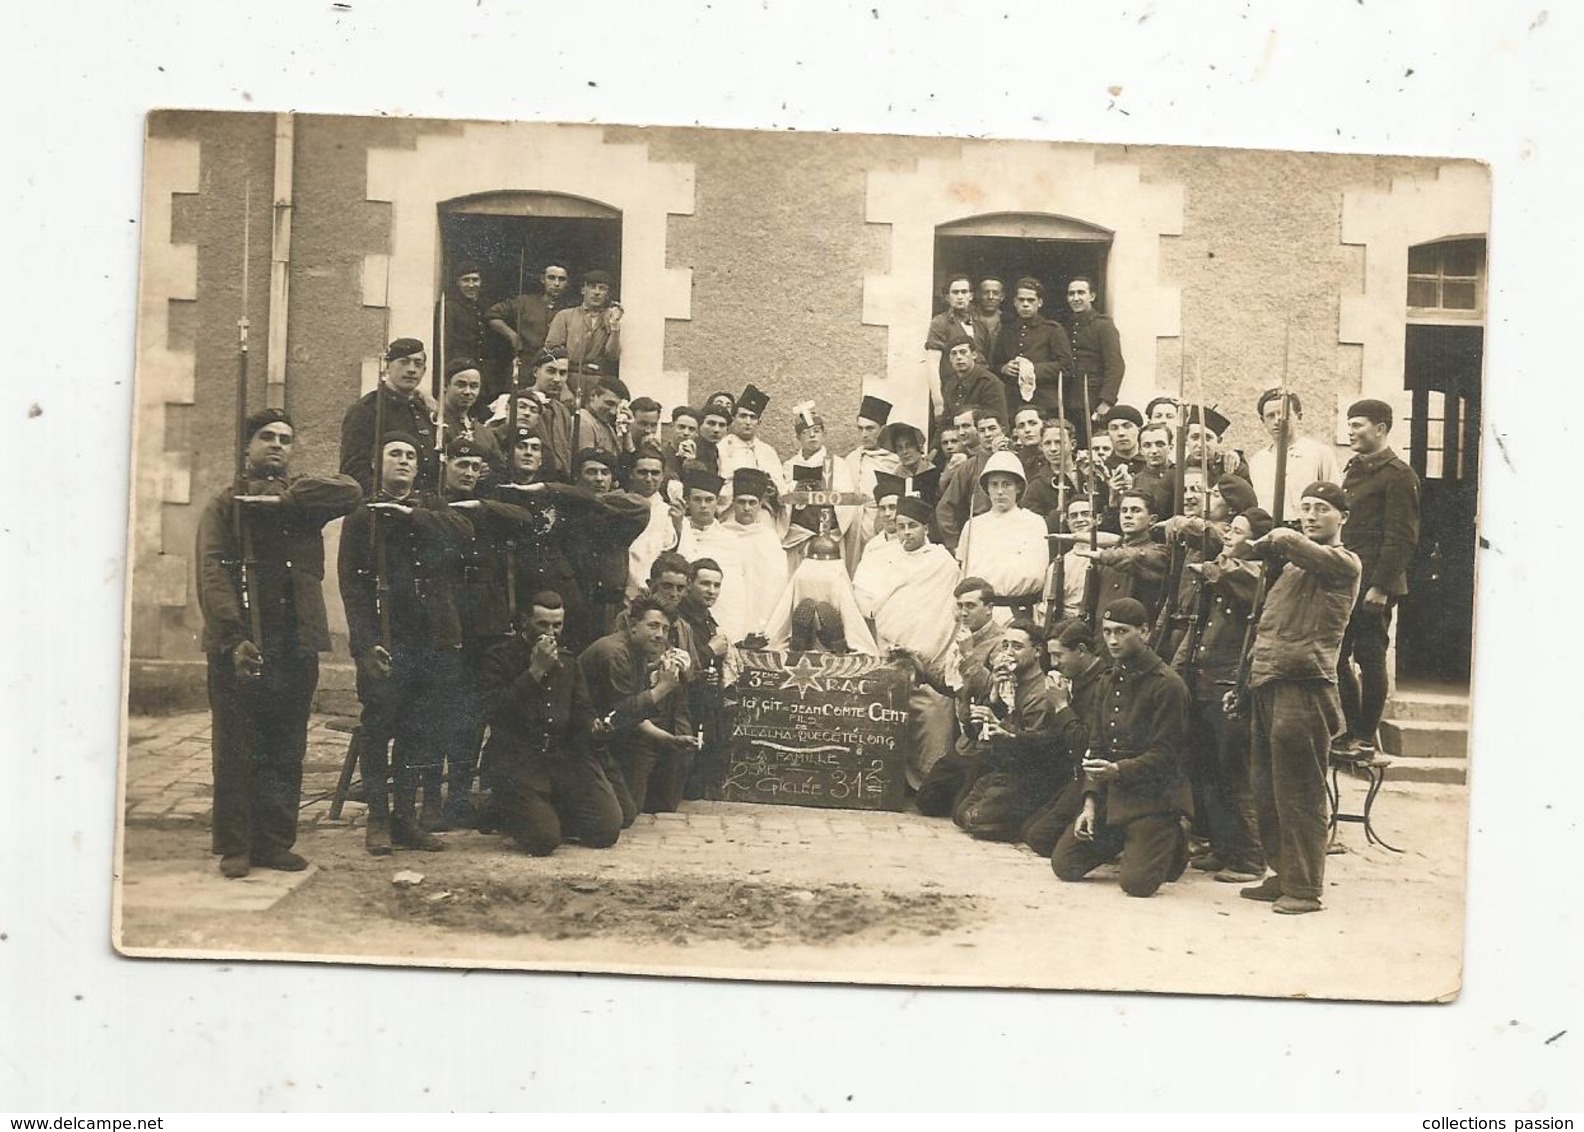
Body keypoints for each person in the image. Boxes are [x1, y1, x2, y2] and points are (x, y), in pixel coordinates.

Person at [196, 409, 362, 878]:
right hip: (245, 643)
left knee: (287, 746)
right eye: (266, 437)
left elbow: (352, 490)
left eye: (286, 439)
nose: (277, 446)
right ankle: (236, 845)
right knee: (237, 745)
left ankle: (274, 841)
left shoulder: (306, 500)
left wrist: (286, 500)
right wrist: (233, 638)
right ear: (247, 447)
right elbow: (213, 574)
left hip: (295, 641)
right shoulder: (225, 505)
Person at [338, 432, 474, 854]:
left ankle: (405, 818)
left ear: (419, 466)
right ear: (378, 465)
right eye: (394, 454)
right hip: (388, 639)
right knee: (380, 729)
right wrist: (363, 646)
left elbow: (464, 533)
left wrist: (409, 515)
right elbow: (352, 587)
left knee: (420, 732)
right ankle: (377, 820)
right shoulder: (364, 516)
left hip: (429, 639)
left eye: (410, 456)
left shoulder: (431, 507)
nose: (403, 461)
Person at [1232, 482, 1361, 915]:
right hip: (1268, 682)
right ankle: (1282, 873)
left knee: (1300, 792)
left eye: (1321, 508)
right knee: (1266, 788)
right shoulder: (1291, 569)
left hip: (1305, 686)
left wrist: (1280, 538)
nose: (1311, 514)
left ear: (1342, 517)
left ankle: (1305, 888)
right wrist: (1242, 684)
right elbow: (1264, 628)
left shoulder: (1343, 563)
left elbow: (1301, 548)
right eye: (1305, 507)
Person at [1052, 598, 1193, 897]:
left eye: (1122, 631)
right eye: (1107, 632)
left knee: (1137, 885)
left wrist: (1117, 770)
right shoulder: (1109, 680)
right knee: (1065, 865)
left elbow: (1167, 755)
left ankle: (1172, 837)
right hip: (1113, 798)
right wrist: (1090, 805)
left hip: (1153, 800)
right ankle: (1127, 838)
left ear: (1144, 632)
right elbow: (1096, 746)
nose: (1112, 640)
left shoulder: (1168, 685)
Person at [438, 436, 541, 830]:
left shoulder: (491, 503)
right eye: (459, 464)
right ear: (446, 464)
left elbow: (524, 519)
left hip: (488, 623)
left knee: (486, 708)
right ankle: (451, 797)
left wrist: (481, 506)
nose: (466, 473)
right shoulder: (434, 501)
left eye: (473, 466)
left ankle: (482, 795)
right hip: (450, 620)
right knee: (455, 712)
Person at [477, 591, 623, 856]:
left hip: (563, 760)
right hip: (519, 761)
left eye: (557, 625)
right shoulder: (499, 657)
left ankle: (546, 810)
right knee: (543, 841)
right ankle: (507, 806)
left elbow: (582, 709)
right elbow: (493, 711)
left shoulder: (568, 660)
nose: (552, 632)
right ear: (524, 622)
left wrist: (594, 726)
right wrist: (535, 671)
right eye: (542, 624)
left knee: (607, 830)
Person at [1171, 506, 1272, 883]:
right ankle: (1221, 845)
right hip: (1204, 679)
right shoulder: (1225, 564)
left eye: (1240, 532)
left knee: (1233, 773)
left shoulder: (1257, 572)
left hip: (1230, 684)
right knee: (1207, 769)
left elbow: (1246, 581)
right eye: (1230, 529)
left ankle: (1249, 857)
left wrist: (1217, 565)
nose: (1229, 535)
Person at [1334, 399, 1421, 756]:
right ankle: (1351, 729)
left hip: (1374, 584)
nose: (1350, 431)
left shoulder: (1399, 475)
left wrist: (1381, 587)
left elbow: (1402, 537)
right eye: (1349, 425)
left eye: (1358, 425)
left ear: (1381, 428)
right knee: (1337, 656)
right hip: (1347, 578)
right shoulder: (1355, 469)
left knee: (1369, 657)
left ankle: (1365, 736)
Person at [854, 495, 959, 786]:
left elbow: (946, 611)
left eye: (912, 526)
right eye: (900, 527)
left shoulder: (942, 563)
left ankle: (927, 783)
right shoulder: (886, 558)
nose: (906, 533)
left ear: (926, 527)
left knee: (930, 716)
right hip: (890, 649)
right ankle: (890, 782)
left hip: (928, 652)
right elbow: (871, 601)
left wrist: (926, 651)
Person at [952, 620, 1079, 842]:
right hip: (1005, 767)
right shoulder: (1008, 682)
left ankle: (1026, 815)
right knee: (960, 815)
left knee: (977, 820)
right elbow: (977, 733)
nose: (1009, 653)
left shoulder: (1041, 692)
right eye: (1005, 645)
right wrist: (993, 695)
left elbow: (1032, 750)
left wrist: (1001, 726)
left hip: (1030, 774)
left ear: (1037, 651)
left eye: (1017, 647)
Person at [580, 594, 695, 823]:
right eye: (653, 626)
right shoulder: (615, 653)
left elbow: (633, 714)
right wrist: (662, 688)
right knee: (617, 818)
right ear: (633, 626)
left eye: (664, 629)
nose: (659, 635)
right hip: (579, 742)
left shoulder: (638, 651)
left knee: (628, 811)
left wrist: (668, 738)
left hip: (601, 738)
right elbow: (622, 714)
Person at [914, 578, 1007, 819]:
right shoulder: (966, 636)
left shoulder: (1002, 643)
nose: (963, 613)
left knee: (962, 812)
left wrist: (968, 654)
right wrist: (918, 663)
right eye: (960, 606)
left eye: (971, 606)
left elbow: (992, 691)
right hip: (966, 743)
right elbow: (954, 688)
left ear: (989, 608)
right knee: (927, 801)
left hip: (991, 747)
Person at [1019, 620, 1109, 855]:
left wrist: (1061, 706)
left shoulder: (1104, 684)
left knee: (1040, 838)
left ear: (1081, 651)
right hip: (1073, 775)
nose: (1054, 664)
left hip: (1098, 780)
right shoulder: (1077, 679)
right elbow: (1055, 737)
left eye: (1059, 655)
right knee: (1028, 829)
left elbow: (1086, 746)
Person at [955, 450, 1050, 623]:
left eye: (1006, 484)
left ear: (1018, 487)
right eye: (994, 485)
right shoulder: (973, 525)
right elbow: (964, 573)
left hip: (1022, 612)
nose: (1000, 491)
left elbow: (1039, 572)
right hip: (982, 614)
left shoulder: (1034, 522)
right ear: (987, 488)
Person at [339, 338, 439, 494]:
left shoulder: (423, 408)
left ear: (424, 371)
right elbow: (353, 469)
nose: (412, 369)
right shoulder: (367, 409)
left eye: (418, 364)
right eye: (404, 362)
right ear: (387, 367)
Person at [1073, 489, 1170, 624]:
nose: (1128, 516)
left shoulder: (1158, 552)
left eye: (1136, 510)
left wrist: (1102, 554)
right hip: (1100, 635)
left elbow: (1134, 557)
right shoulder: (1107, 555)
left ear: (1152, 519)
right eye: (1124, 511)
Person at [678, 557, 731, 800]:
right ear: (689, 584)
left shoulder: (706, 618)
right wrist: (710, 650)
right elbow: (680, 659)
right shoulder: (681, 619)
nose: (712, 591)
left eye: (716, 585)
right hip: (682, 701)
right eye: (705, 584)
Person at [1246, 389, 1342, 521]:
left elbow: (1335, 499)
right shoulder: (1258, 460)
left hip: (1307, 529)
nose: (1278, 420)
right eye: (1270, 416)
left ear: (1299, 416)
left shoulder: (1320, 453)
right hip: (1268, 530)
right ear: (1263, 421)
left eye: (1284, 414)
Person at [784, 403, 861, 567]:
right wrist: (795, 491)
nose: (812, 436)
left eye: (817, 431)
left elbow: (847, 502)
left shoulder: (838, 464)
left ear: (824, 434)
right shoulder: (790, 466)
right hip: (798, 535)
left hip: (828, 535)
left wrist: (826, 492)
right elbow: (783, 501)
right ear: (798, 438)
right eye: (806, 432)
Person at [990, 276, 1074, 422]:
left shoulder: (1052, 330)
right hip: (1013, 403)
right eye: (1021, 300)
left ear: (1039, 303)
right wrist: (1004, 368)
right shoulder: (1007, 330)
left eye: (1031, 300)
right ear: (1015, 302)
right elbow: (994, 364)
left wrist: (1031, 370)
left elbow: (1066, 366)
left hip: (1044, 402)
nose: (1025, 305)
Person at [487, 259, 572, 386]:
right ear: (543, 279)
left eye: (561, 279)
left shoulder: (571, 309)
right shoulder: (524, 302)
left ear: (567, 283)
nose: (556, 283)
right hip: (525, 367)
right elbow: (492, 315)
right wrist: (512, 335)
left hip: (555, 372)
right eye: (551, 278)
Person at [842, 394, 901, 570]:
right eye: (860, 429)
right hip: (853, 524)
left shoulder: (894, 461)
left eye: (870, 429)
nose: (864, 434)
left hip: (880, 520)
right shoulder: (851, 459)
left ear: (882, 429)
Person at [716, 383, 787, 513]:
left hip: (764, 512)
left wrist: (773, 489)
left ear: (759, 423)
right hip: (731, 513)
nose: (748, 422)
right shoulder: (721, 448)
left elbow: (782, 488)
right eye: (743, 416)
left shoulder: (768, 451)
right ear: (733, 419)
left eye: (753, 417)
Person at [1063, 276, 1124, 423]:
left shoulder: (1103, 325)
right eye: (1071, 294)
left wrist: (1106, 402)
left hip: (1093, 399)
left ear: (1092, 296)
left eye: (1081, 293)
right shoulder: (1067, 325)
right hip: (1069, 398)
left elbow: (1115, 366)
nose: (1075, 298)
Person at [625, 449, 681, 601]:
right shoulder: (620, 506)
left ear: (663, 476)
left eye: (655, 473)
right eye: (642, 472)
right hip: (625, 591)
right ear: (631, 474)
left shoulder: (669, 513)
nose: (649, 478)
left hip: (656, 596)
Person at [436, 262, 492, 411]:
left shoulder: (482, 306)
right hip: (459, 372)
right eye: (466, 280)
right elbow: (445, 344)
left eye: (475, 280)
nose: (471, 285)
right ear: (457, 283)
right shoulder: (449, 307)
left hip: (480, 374)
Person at [545, 268, 622, 375]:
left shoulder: (610, 318)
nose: (597, 292)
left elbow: (613, 355)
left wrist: (614, 327)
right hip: (568, 376)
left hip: (598, 378)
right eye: (592, 287)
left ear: (607, 294)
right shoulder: (565, 316)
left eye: (602, 288)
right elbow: (551, 350)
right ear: (583, 290)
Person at [437, 359, 505, 478]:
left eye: (474, 386)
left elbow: (501, 469)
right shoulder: (434, 422)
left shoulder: (484, 432)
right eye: (461, 385)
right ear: (445, 386)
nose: (468, 392)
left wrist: (489, 471)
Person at [925, 274, 993, 391]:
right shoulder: (940, 323)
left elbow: (986, 357)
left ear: (971, 296)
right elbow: (933, 365)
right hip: (954, 388)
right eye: (955, 293)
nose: (960, 297)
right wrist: (938, 401)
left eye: (964, 292)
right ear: (947, 297)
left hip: (980, 388)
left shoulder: (980, 325)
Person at [937, 335, 1010, 442]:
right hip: (959, 442)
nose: (959, 357)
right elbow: (945, 422)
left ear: (974, 355)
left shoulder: (989, 383)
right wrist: (933, 450)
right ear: (950, 359)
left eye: (963, 352)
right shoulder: (950, 385)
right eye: (954, 354)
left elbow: (1000, 422)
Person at [976, 276, 1006, 345]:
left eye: (995, 293)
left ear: (1002, 297)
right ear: (978, 295)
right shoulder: (968, 319)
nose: (990, 297)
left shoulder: (1008, 322)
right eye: (986, 292)